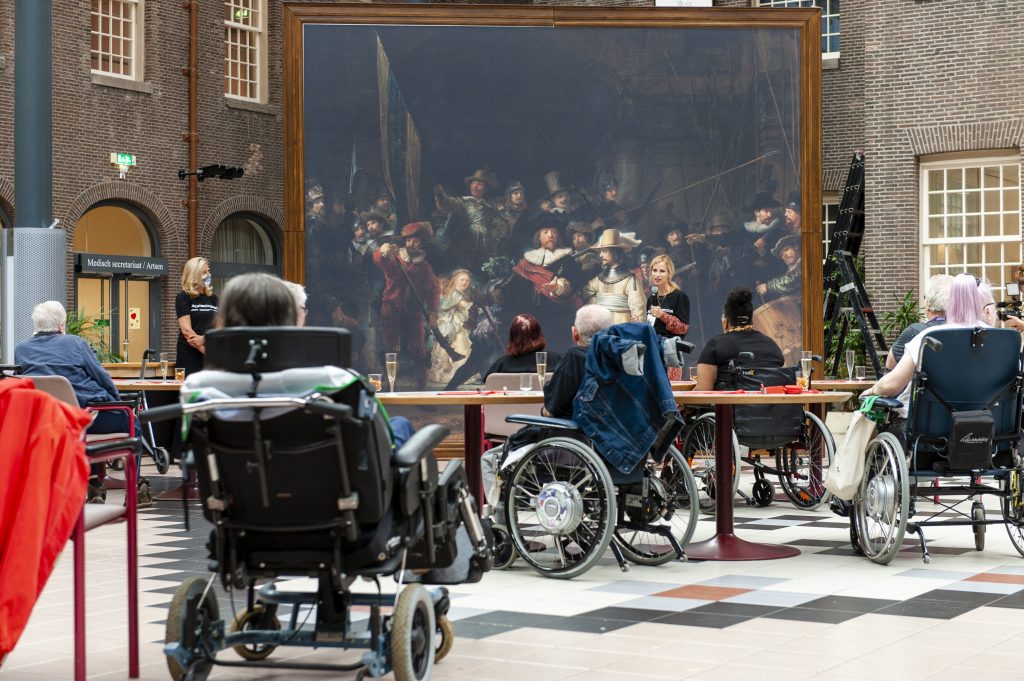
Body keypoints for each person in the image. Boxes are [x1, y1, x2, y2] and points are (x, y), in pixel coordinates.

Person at [15, 301, 150, 506]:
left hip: (48, 423)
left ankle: (95, 485)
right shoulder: (76, 343)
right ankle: (135, 489)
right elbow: (101, 378)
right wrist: (118, 402)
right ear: (61, 326)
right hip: (88, 418)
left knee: (92, 417)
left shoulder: (22, 349)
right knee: (133, 422)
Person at [864, 273, 989, 415]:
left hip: (932, 423)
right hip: (987, 422)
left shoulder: (927, 337)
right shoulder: (1000, 338)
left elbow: (890, 383)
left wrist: (874, 390)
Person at [694, 287, 784, 391]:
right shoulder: (771, 345)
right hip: (768, 406)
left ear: (725, 322)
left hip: (730, 406)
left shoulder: (715, 345)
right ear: (752, 320)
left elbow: (703, 390)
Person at [542, 305, 613, 419]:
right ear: (611, 333)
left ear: (575, 333)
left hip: (575, 431)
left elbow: (551, 411)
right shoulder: (621, 357)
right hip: (614, 433)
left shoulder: (574, 357)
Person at [886, 274, 953, 369]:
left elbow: (890, 364)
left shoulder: (915, 331)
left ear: (928, 303)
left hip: (926, 383)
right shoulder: (967, 330)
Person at [582, 228, 646, 324]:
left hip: (623, 328)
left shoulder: (630, 280)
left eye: (604, 251)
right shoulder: (598, 279)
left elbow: (639, 309)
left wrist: (636, 327)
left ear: (615, 252)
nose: (600, 255)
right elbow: (587, 292)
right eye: (600, 251)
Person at [647, 254, 690, 380]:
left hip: (670, 350)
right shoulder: (651, 298)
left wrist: (663, 315)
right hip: (653, 349)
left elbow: (683, 328)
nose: (657, 274)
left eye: (662, 271)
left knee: (671, 392)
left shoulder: (679, 296)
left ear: (669, 274)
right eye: (654, 270)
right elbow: (652, 327)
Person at [427, 269, 474, 386]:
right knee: (458, 344)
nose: (465, 282)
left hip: (456, 324)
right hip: (451, 326)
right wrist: (474, 308)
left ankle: (453, 372)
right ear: (455, 281)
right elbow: (466, 307)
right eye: (462, 280)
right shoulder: (455, 294)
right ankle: (451, 373)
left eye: (467, 280)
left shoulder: (459, 293)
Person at [175, 257, 219, 377]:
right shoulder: (183, 297)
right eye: (204, 272)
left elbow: (220, 327)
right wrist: (203, 349)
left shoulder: (214, 298)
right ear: (194, 275)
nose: (208, 274)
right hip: (189, 354)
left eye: (208, 271)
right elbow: (186, 331)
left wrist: (204, 339)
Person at [483, 314, 561, 379]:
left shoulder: (502, 364)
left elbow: (485, 389)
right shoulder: (556, 360)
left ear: (512, 337)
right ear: (539, 334)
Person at [755, 234, 801, 301]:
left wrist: (768, 287)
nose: (784, 255)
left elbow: (792, 281)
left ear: (796, 247)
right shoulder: (789, 270)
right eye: (781, 254)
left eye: (787, 249)